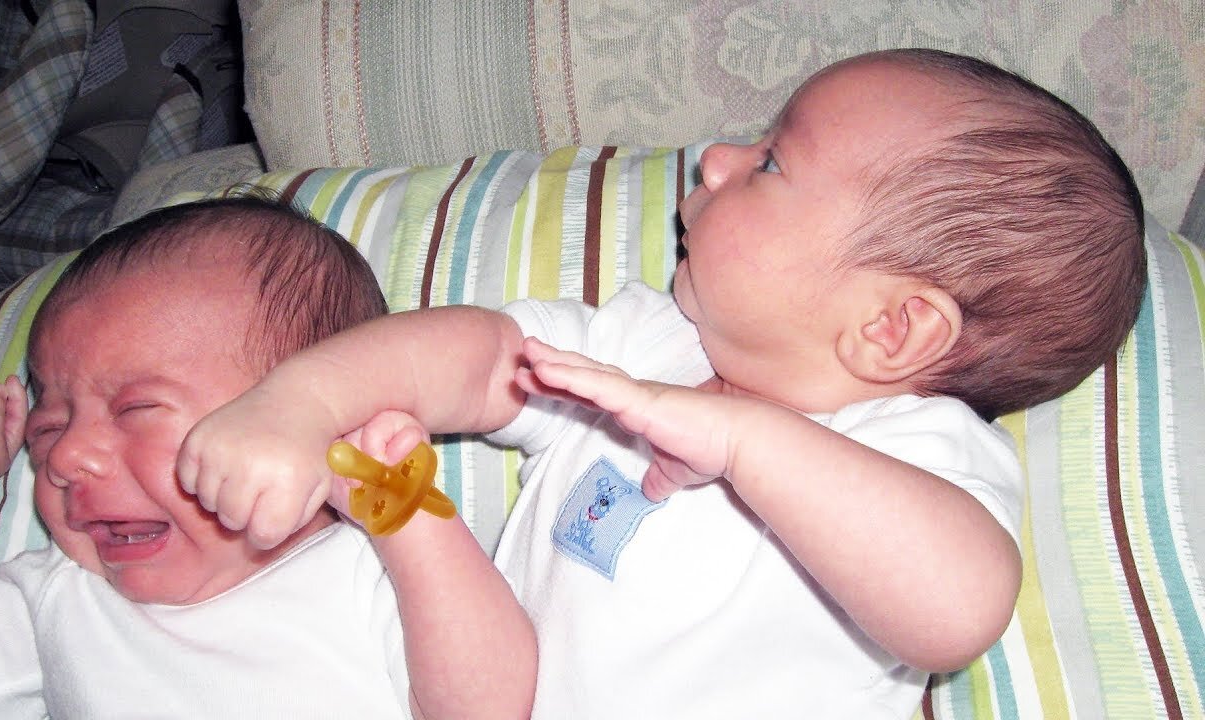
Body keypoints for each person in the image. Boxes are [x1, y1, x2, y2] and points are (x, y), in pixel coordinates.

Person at [176, 49, 1147, 718]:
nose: (715, 158)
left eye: (769, 161)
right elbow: (474, 354)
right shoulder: (649, 341)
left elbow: (956, 610)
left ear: (891, 326)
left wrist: (742, 442)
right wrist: (300, 404)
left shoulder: (913, 446)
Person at [0, 194, 536, 719]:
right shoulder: (62, 592)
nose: (66, 457)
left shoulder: (367, 571)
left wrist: (407, 519)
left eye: (136, 410)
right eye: (47, 428)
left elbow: (489, 706)